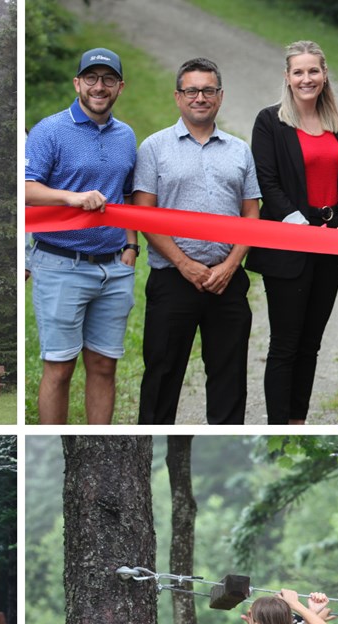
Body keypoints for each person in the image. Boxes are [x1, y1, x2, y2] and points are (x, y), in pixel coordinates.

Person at [133, 58, 261, 424]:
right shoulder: (154, 148)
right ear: (178, 97)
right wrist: (184, 263)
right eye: (192, 90)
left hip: (227, 282)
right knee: (162, 375)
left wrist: (231, 264)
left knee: (229, 378)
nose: (200, 97)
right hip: (173, 279)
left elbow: (251, 214)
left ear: (220, 97)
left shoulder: (239, 150)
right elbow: (144, 214)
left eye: (208, 90)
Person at [25, 48, 140, 425]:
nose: (99, 86)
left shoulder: (126, 136)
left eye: (108, 79)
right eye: (91, 78)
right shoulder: (49, 130)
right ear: (77, 83)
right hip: (61, 263)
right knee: (59, 367)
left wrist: (131, 244)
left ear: (120, 87)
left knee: (104, 365)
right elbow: (26, 189)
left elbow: (126, 195)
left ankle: (99, 441)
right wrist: (70, 197)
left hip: (113, 267)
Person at [245, 41, 338, 425]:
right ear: (287, 77)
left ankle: (298, 421)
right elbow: (267, 182)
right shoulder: (270, 121)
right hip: (290, 246)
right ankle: (278, 423)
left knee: (311, 344)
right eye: (299, 72)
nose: (306, 78)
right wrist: (302, 227)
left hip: (330, 244)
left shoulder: (334, 123)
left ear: (324, 75)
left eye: (313, 71)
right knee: (286, 344)